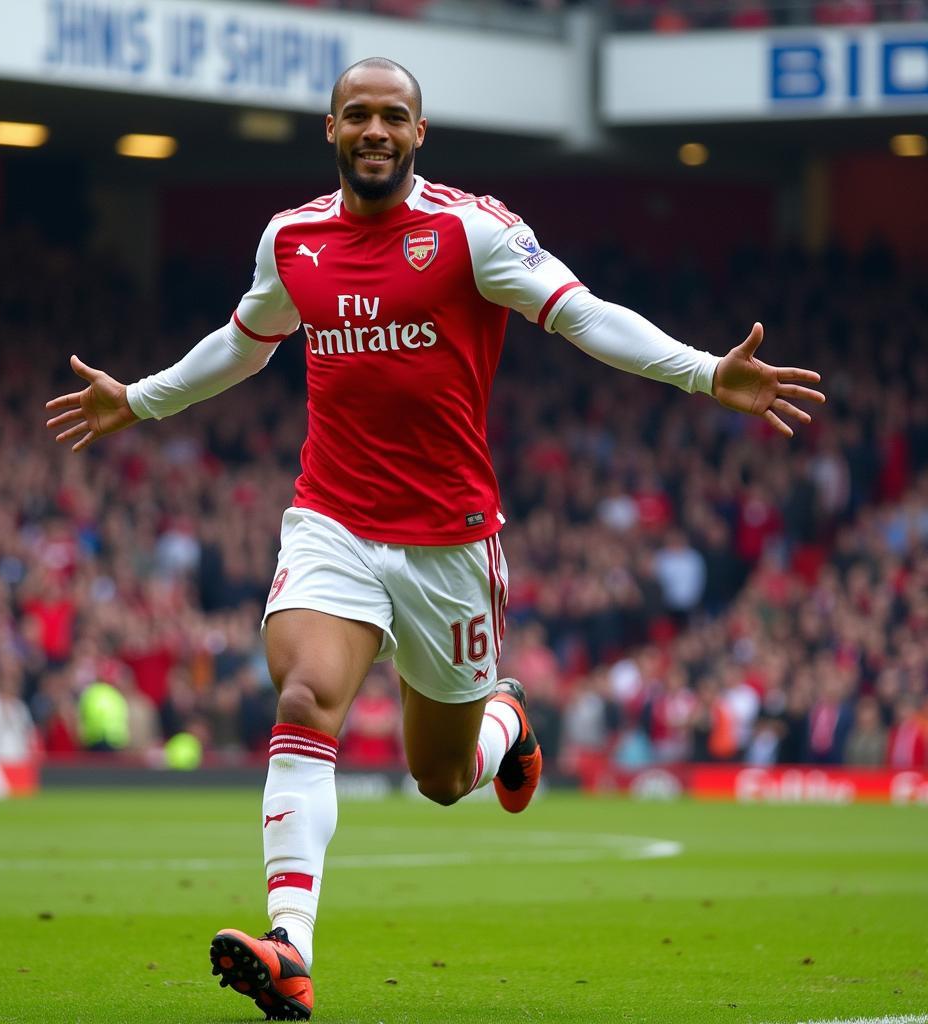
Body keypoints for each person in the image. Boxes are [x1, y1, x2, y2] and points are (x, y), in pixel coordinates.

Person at [45, 56, 825, 1022]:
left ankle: (509, 721)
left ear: (420, 134)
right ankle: (291, 947)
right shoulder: (291, 240)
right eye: (358, 115)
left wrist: (708, 374)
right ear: (330, 129)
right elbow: (246, 340)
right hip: (331, 518)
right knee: (303, 694)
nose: (376, 130)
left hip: (450, 542)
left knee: (444, 777)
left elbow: (583, 317)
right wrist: (141, 399)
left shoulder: (472, 231)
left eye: (394, 117)